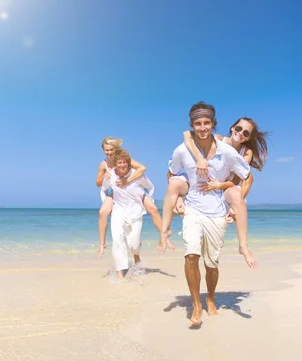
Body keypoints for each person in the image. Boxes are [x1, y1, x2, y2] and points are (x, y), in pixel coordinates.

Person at [159, 101, 257, 326]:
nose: (202, 127)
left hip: (217, 212)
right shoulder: (182, 150)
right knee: (191, 255)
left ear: (214, 124)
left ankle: (211, 298)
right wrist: (180, 199)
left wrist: (227, 194)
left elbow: (246, 175)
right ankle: (196, 304)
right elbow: (171, 173)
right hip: (193, 208)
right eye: (198, 123)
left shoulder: (228, 152)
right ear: (192, 125)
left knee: (211, 264)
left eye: (206, 123)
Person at [158, 117, 269, 264]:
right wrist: (179, 197)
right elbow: (187, 135)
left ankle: (243, 247)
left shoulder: (245, 152)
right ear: (232, 128)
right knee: (175, 183)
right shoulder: (218, 139)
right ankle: (165, 230)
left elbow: (237, 179)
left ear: (248, 137)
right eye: (238, 128)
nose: (241, 133)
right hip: (201, 181)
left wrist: (219, 186)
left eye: (246, 133)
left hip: (226, 185)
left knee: (238, 193)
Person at [96, 137, 173, 256]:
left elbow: (142, 168)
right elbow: (98, 183)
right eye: (106, 150)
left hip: (134, 190)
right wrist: (105, 175)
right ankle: (102, 243)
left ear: (116, 148)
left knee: (152, 209)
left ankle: (164, 235)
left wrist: (127, 180)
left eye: (111, 149)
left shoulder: (124, 158)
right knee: (102, 212)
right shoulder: (103, 164)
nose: (109, 153)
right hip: (116, 191)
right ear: (103, 150)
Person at [101, 148, 154, 279]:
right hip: (118, 213)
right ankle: (120, 274)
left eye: (125, 162)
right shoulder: (110, 175)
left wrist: (147, 199)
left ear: (129, 163)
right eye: (120, 162)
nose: (123, 165)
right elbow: (103, 190)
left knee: (133, 244)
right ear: (115, 164)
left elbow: (150, 187)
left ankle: (136, 256)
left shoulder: (137, 174)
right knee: (117, 241)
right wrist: (109, 204)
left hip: (135, 213)